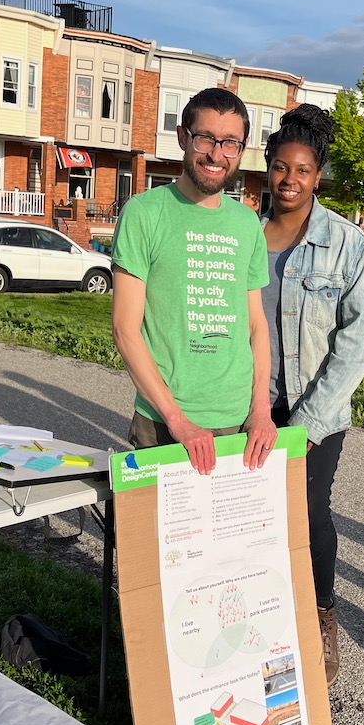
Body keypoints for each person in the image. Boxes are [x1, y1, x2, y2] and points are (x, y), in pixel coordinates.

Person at [259, 105, 364, 685]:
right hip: (249, 406)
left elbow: (361, 338)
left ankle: (320, 616)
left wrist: (307, 422)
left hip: (316, 410)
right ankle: (261, 617)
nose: (290, 180)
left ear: (318, 176)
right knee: (251, 516)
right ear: (267, 167)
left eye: (303, 170)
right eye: (281, 167)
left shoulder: (348, 245)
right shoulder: (242, 235)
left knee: (309, 514)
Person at [111, 87, 276, 474]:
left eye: (230, 143)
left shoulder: (247, 223)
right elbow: (124, 330)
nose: (217, 155)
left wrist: (261, 410)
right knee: (155, 518)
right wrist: (178, 421)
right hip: (163, 420)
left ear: (242, 148)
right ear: (183, 137)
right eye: (206, 138)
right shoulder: (144, 213)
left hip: (238, 420)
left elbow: (256, 326)